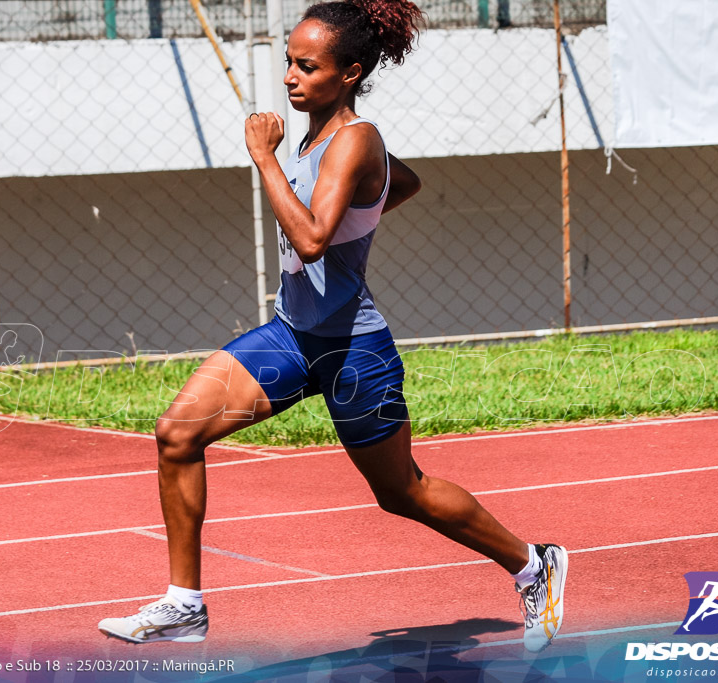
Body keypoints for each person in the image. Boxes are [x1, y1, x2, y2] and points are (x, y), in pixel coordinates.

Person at [98, 0, 568, 653]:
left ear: (349, 72)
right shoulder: (321, 138)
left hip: (354, 352)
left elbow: (314, 238)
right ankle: (184, 605)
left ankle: (532, 563)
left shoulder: (355, 139)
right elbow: (400, 185)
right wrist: (359, 205)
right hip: (292, 337)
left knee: (402, 491)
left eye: (307, 66)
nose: (290, 76)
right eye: (289, 61)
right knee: (178, 434)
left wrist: (264, 158)